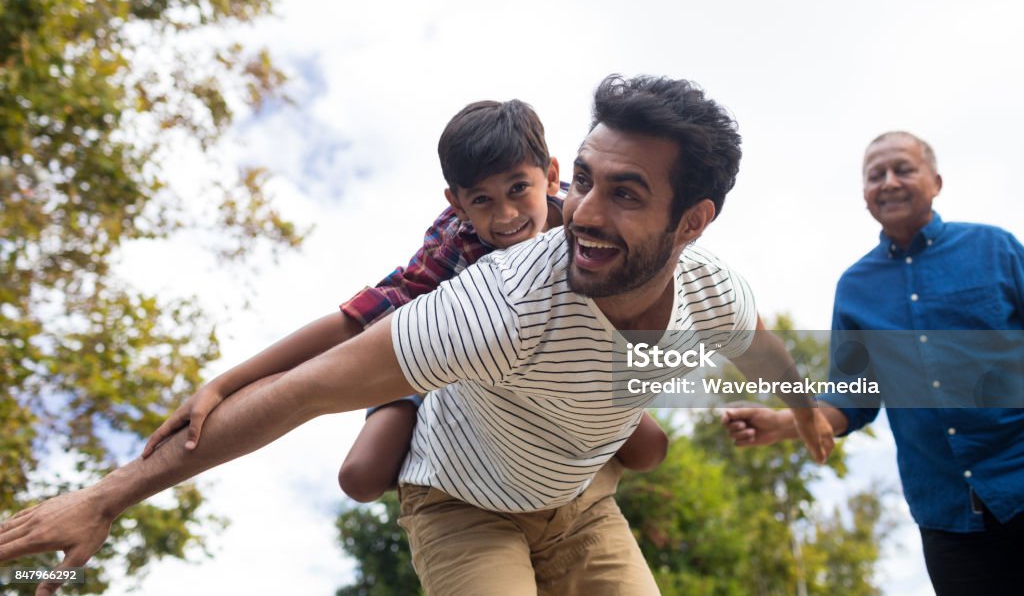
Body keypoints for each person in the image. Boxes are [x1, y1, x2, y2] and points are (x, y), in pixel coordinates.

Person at [0, 75, 834, 596]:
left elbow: (758, 343)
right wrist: (106, 496)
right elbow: (304, 388)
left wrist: (804, 412)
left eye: (624, 193)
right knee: (366, 471)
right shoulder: (499, 303)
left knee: (641, 443)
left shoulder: (713, 288)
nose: (580, 211)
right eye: (584, 181)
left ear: (692, 222)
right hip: (466, 503)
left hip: (580, 503)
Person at [142, 98, 670, 505]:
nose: (505, 215)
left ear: (550, 176)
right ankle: (447, 462)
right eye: (482, 200)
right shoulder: (454, 244)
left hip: (554, 370)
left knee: (650, 449)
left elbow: (656, 301)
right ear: (457, 203)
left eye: (518, 189)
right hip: (444, 357)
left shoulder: (582, 231)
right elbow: (354, 324)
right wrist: (221, 384)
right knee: (361, 477)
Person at [722, 131, 1024, 595]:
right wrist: (786, 423)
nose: (888, 182)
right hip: (947, 517)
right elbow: (853, 399)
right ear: (864, 194)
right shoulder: (856, 288)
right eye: (874, 175)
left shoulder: (996, 250)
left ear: (936, 181)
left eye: (903, 169)